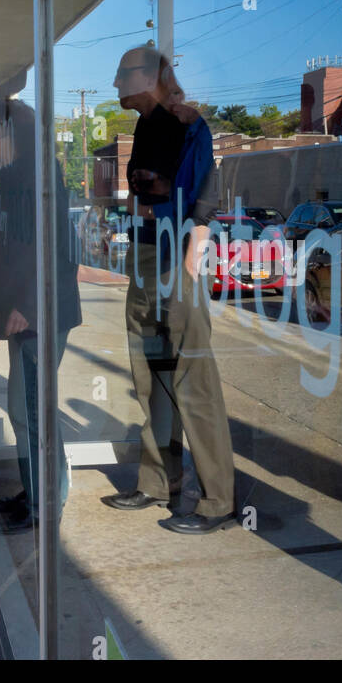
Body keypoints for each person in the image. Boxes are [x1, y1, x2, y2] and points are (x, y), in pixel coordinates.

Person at [101, 45, 238, 534]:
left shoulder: (187, 121)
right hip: (143, 257)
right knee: (149, 375)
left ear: (151, 75)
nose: (115, 83)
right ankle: (160, 482)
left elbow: (205, 194)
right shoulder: (145, 126)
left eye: (122, 74)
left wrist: (191, 260)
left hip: (175, 257)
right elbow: (145, 193)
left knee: (193, 382)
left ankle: (218, 500)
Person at [0, 98, 82, 533]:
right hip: (24, 318)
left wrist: (26, 304)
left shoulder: (38, 181)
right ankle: (36, 490)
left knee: (30, 412)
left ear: (16, 137)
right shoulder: (14, 182)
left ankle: (46, 501)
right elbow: (8, 254)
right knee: (24, 410)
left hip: (40, 317)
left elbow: (58, 252)